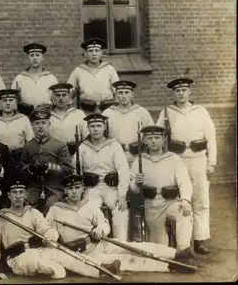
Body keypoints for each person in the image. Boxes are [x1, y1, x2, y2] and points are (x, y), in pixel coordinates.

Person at [46, 173, 195, 275]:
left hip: (99, 242)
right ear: (65, 190)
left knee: (134, 247)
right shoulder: (56, 210)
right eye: (70, 188)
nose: (73, 192)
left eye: (77, 188)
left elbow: (104, 224)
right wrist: (51, 237)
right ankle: (170, 266)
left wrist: (99, 230)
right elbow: (48, 232)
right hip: (82, 251)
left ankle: (176, 254)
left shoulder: (89, 205)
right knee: (128, 262)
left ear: (82, 189)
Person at [0, 177, 120, 280]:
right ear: (9, 195)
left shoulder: (32, 212)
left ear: (26, 195)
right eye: (14, 192)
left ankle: (101, 270)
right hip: (18, 257)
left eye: (21, 192)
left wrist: (49, 236)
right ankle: (49, 271)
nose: (18, 196)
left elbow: (47, 229)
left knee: (65, 256)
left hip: (38, 250)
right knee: (54, 270)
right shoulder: (1, 217)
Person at [156, 78, 216, 255]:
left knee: (200, 200)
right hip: (177, 159)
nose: (181, 93)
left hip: (198, 158)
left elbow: (211, 138)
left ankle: (200, 239)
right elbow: (158, 137)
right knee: (178, 199)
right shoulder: (166, 112)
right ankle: (181, 241)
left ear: (189, 92)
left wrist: (211, 163)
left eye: (184, 90)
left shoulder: (200, 111)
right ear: (172, 93)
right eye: (177, 90)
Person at [130, 125, 195, 258]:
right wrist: (136, 182)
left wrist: (185, 200)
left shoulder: (174, 159)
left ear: (164, 139)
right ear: (144, 140)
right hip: (151, 206)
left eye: (157, 137)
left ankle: (184, 250)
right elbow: (133, 189)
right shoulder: (139, 161)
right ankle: (171, 256)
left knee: (185, 212)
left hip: (170, 203)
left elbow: (184, 180)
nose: (153, 141)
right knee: (160, 250)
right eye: (150, 138)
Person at [71, 113, 130, 241]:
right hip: (92, 189)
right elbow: (76, 172)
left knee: (120, 209)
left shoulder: (113, 145)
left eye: (99, 125)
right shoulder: (82, 148)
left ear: (104, 128)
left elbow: (124, 170)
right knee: (88, 209)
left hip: (111, 188)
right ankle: (96, 242)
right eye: (92, 126)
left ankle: (121, 242)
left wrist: (122, 194)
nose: (96, 129)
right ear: (88, 128)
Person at [20, 108, 73, 215]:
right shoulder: (28, 146)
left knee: (50, 208)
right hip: (34, 188)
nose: (40, 126)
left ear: (49, 124)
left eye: (43, 123)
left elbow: (68, 170)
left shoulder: (59, 145)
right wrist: (31, 167)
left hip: (54, 188)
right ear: (32, 126)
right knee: (27, 209)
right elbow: (21, 171)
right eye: (37, 123)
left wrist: (49, 166)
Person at [102, 80, 154, 166]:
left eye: (126, 92)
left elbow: (150, 134)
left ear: (132, 94)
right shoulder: (107, 113)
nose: (123, 96)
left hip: (137, 156)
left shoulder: (141, 112)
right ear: (115, 95)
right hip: (115, 155)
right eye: (120, 93)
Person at [67, 38, 119, 115]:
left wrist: (117, 109)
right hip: (86, 111)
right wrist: (71, 109)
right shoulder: (78, 70)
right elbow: (69, 91)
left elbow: (117, 90)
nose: (94, 54)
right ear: (85, 53)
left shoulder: (109, 68)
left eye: (97, 50)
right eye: (90, 51)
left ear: (101, 53)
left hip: (107, 110)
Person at [11, 43, 58, 116]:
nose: (34, 58)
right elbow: (13, 100)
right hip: (26, 115)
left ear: (42, 58)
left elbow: (56, 100)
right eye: (32, 55)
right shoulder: (19, 78)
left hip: (46, 116)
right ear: (28, 58)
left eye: (37, 55)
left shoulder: (51, 78)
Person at [0, 89, 34, 164]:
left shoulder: (23, 119)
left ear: (15, 104)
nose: (8, 103)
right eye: (4, 100)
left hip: (19, 158)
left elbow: (30, 140)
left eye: (11, 100)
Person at [48, 83, 88, 156]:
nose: (61, 98)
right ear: (53, 98)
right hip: (54, 155)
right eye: (57, 95)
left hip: (75, 154)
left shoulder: (79, 114)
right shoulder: (48, 116)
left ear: (69, 97)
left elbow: (87, 137)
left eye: (64, 95)